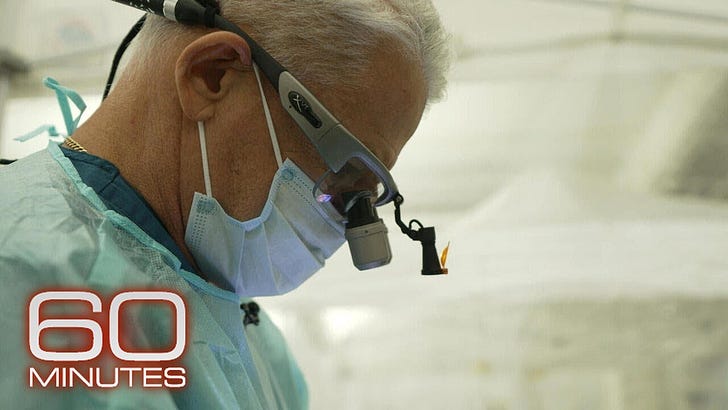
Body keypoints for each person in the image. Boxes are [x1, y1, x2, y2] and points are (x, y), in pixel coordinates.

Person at [0, 0, 450, 408]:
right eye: (345, 175)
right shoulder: (23, 275)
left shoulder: (249, 338)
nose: (343, 224)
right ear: (210, 75)